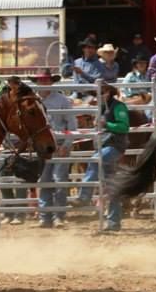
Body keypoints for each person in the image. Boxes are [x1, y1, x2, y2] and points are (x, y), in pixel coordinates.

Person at [75, 82, 130, 232]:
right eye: (97, 93)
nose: (98, 95)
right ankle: (114, 222)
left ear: (108, 93)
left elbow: (124, 127)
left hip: (114, 146)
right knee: (111, 187)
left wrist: (106, 124)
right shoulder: (102, 108)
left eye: (101, 92)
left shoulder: (118, 107)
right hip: (105, 146)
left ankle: (84, 195)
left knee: (95, 160)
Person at [35, 70, 76, 228]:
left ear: (51, 82)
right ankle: (45, 216)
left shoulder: (63, 100)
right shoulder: (34, 100)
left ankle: (58, 215)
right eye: (41, 80)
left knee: (59, 181)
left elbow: (72, 125)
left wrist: (66, 145)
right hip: (43, 146)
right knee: (44, 180)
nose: (44, 83)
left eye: (46, 80)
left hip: (59, 145)